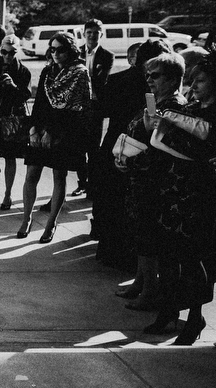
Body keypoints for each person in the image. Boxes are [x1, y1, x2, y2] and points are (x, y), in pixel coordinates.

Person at [124, 51, 216, 345]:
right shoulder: (190, 108)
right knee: (168, 253)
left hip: (201, 192)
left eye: (200, 81)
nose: (195, 87)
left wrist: (166, 133)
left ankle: (195, 316)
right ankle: (167, 310)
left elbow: (208, 150)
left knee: (193, 258)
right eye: (193, 81)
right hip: (172, 188)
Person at [117, 50, 186, 310]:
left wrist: (131, 161)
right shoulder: (155, 102)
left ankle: (150, 290)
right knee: (140, 234)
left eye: (155, 76)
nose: (149, 80)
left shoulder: (174, 107)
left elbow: (160, 147)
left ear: (172, 79)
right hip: (138, 175)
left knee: (148, 236)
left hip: (154, 180)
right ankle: (140, 282)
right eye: (147, 75)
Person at [92, 40, 165, 270]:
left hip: (113, 140)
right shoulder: (150, 87)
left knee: (110, 199)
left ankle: (107, 249)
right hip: (138, 145)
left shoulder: (116, 79)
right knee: (128, 202)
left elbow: (101, 110)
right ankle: (126, 255)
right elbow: (152, 118)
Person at [18, 33, 92, 244]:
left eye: (61, 49)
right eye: (52, 49)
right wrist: (34, 128)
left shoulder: (79, 73)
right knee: (31, 174)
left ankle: (50, 224)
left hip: (64, 131)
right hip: (41, 129)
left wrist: (52, 131)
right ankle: (26, 219)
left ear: (71, 50)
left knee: (59, 177)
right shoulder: (47, 71)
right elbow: (40, 101)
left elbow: (77, 110)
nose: (56, 54)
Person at [0, 36, 32, 211]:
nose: (7, 56)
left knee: (10, 157)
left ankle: (7, 194)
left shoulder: (23, 71)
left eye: (12, 52)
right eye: (4, 52)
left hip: (12, 120)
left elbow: (26, 96)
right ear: (0, 50)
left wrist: (12, 85)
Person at [74, 18, 114, 196]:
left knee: (93, 148)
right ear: (84, 34)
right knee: (78, 147)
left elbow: (101, 80)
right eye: (89, 32)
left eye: (96, 33)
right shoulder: (76, 53)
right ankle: (81, 182)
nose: (92, 36)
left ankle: (92, 184)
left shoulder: (107, 56)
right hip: (77, 106)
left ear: (101, 35)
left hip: (96, 106)